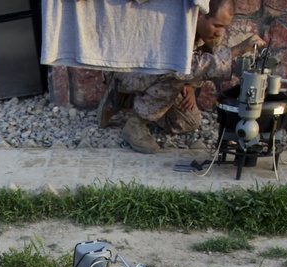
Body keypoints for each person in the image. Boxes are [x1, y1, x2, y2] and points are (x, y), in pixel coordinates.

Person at [98, 0, 267, 154]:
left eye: (224, 27)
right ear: (199, 15)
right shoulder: (175, 23)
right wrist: (235, 51)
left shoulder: (209, 33)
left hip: (159, 76)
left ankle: (136, 103)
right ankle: (135, 123)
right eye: (217, 25)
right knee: (175, 73)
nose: (220, 32)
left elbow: (205, 61)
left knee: (188, 121)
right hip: (126, 73)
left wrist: (192, 86)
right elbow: (181, 67)